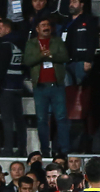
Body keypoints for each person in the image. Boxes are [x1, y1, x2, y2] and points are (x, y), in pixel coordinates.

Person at [23, 18, 70, 156]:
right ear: (37, 29)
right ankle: (45, 150)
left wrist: (51, 55)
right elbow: (27, 61)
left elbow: (65, 57)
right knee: (42, 119)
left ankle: (64, 149)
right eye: (43, 25)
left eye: (48, 25)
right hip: (40, 86)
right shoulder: (31, 43)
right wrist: (41, 55)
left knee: (61, 118)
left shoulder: (57, 41)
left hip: (56, 85)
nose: (46, 27)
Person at [0, 19, 27, 157]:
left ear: (7, 28)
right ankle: (22, 149)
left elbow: (1, 68)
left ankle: (8, 149)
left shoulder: (6, 44)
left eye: (0, 28)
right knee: (19, 120)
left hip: (6, 87)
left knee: (7, 120)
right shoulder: (21, 43)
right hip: (18, 86)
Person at [62, 0, 97, 87]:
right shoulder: (66, 22)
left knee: (81, 90)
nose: (71, 4)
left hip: (82, 62)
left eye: (74, 2)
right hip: (68, 62)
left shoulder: (89, 20)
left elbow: (92, 41)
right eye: (70, 2)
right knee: (69, 90)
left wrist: (88, 60)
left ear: (81, 4)